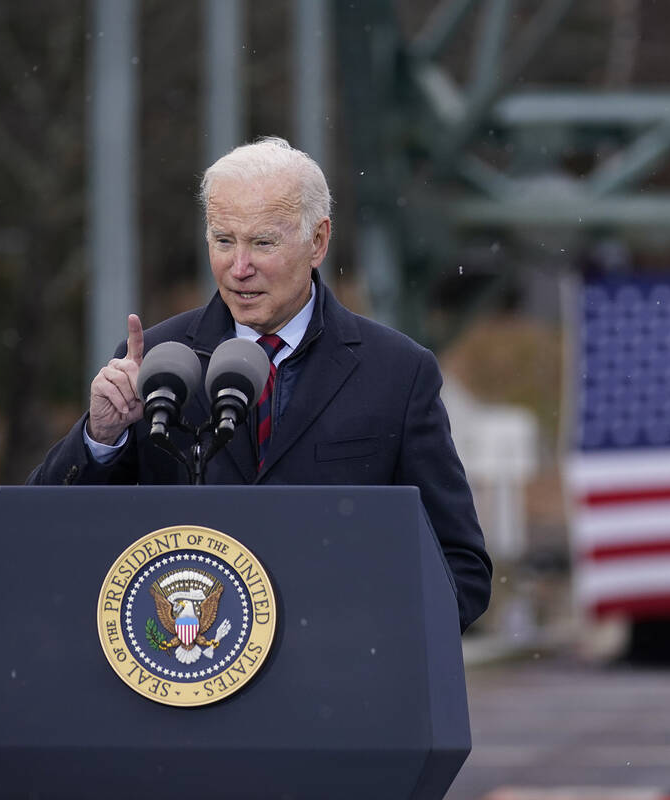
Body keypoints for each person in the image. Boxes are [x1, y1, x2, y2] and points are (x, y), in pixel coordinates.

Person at [28, 136, 491, 631]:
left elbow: (460, 568)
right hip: (189, 677)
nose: (239, 267)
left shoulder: (397, 374)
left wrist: (367, 640)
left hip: (339, 687)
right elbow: (43, 536)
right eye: (224, 240)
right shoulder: (155, 364)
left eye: (263, 242)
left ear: (318, 241)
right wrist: (101, 438)